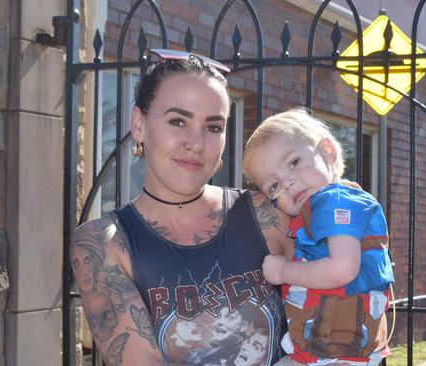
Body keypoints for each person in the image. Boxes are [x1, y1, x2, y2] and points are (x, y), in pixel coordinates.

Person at [70, 50, 293, 365]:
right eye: (178, 121)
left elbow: (337, 315)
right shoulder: (103, 243)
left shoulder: (267, 214)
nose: (196, 142)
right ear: (139, 124)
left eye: (213, 127)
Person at [243, 108, 395, 366]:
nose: (288, 182)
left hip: (339, 349)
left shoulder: (335, 200)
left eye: (293, 162)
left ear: (328, 152)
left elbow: (342, 269)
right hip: (324, 347)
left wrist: (283, 272)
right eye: (274, 186)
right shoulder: (326, 206)